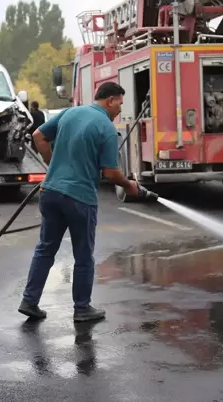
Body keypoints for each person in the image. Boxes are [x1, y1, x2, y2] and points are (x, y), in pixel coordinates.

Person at [18, 82, 141, 322]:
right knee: (83, 255)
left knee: (45, 249)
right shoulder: (105, 126)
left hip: (50, 191)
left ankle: (29, 301)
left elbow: (38, 136)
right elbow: (111, 173)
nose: (120, 109)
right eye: (119, 103)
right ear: (109, 101)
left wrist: (53, 165)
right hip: (79, 197)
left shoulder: (70, 112)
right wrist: (129, 185)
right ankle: (82, 309)